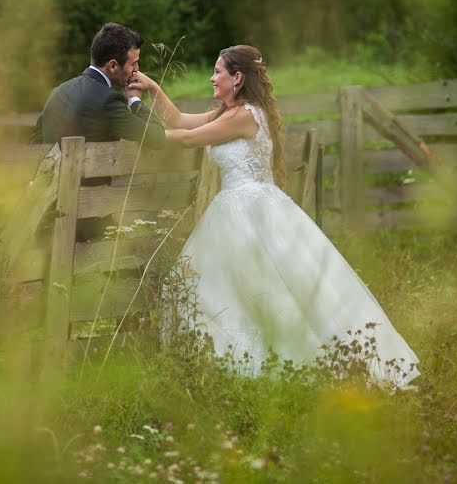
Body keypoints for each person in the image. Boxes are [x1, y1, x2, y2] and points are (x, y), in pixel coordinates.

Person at [126, 45, 420, 388]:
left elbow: (189, 139)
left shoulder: (244, 116)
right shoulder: (230, 112)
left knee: (266, 287)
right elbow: (178, 121)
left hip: (250, 211)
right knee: (236, 287)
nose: (211, 77)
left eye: (217, 71)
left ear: (236, 78)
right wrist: (152, 88)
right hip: (242, 207)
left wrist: (133, 126)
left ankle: (290, 364)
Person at [29, 23, 165, 149]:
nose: (137, 69)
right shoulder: (108, 101)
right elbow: (157, 137)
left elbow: (35, 144)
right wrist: (135, 101)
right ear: (113, 66)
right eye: (133, 63)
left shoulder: (57, 92)